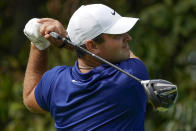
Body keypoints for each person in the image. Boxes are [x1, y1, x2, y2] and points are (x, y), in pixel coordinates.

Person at [23, 4, 149, 131]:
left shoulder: (54, 82)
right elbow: (130, 56)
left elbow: (29, 99)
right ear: (92, 46)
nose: (128, 37)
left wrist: (38, 44)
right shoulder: (131, 75)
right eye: (117, 35)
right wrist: (66, 41)